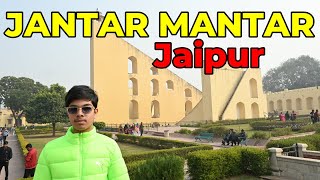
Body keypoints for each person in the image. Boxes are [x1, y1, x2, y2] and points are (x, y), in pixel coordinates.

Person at [34, 85, 129, 180]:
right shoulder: (49, 149)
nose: (79, 114)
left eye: (86, 109)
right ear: (68, 113)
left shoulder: (110, 146)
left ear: (95, 112)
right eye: (73, 109)